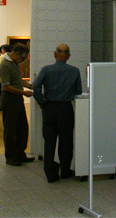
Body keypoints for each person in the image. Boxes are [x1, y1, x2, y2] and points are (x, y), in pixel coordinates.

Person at [32, 44, 82, 182]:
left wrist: (42, 102)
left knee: (49, 142)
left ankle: (51, 174)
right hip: (66, 108)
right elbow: (78, 91)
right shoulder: (74, 71)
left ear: (55, 55)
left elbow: (36, 86)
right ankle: (65, 171)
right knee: (66, 142)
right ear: (68, 56)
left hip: (49, 108)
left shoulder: (46, 70)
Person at [0, 43, 34, 166]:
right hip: (9, 99)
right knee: (10, 130)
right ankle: (10, 157)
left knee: (22, 127)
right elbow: (6, 86)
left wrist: (30, 86)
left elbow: (18, 81)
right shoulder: (5, 65)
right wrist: (23, 93)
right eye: (23, 59)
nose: (23, 61)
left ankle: (20, 153)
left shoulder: (15, 64)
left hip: (17, 99)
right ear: (17, 54)